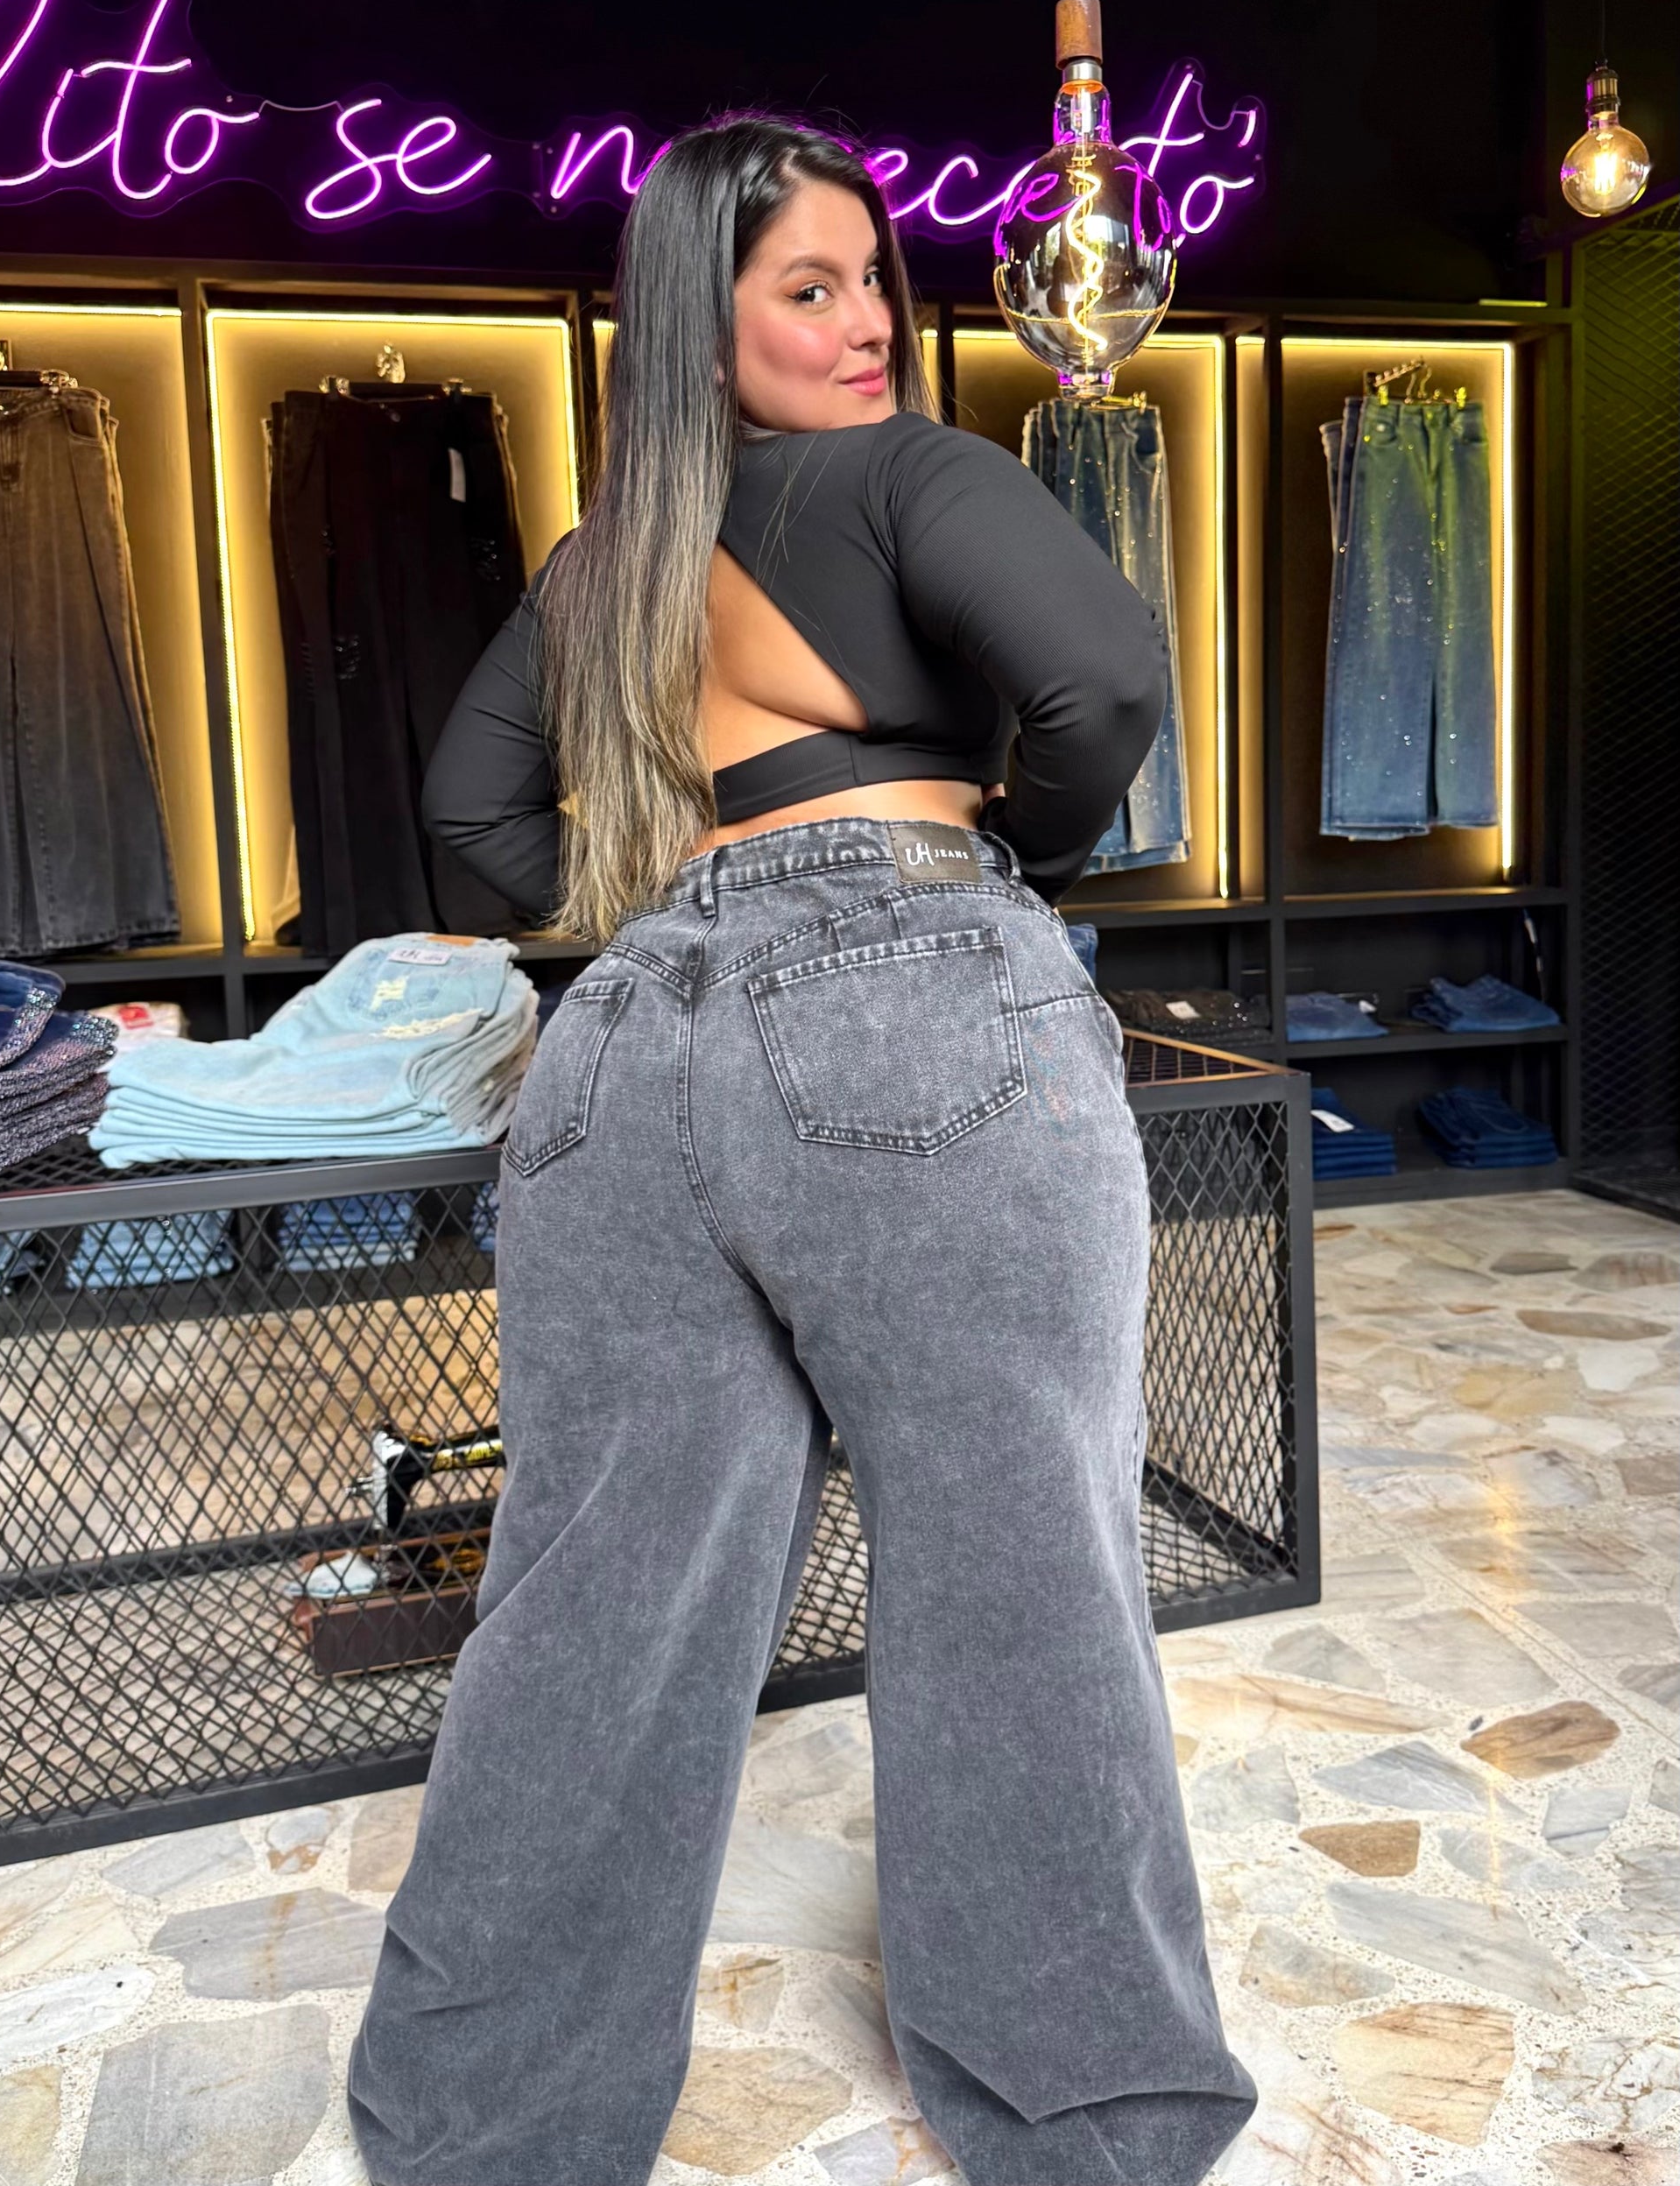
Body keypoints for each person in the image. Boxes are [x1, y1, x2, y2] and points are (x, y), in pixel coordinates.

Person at [345, 114, 1256, 2185]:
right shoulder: (910, 473)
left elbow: (475, 823)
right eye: (808, 289)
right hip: (915, 1006)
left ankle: (483, 2124)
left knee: (591, 1597)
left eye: (872, 282)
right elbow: (1108, 677)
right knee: (1017, 1566)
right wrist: (1003, 858)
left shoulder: (596, 573)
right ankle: (1087, 2122)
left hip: (625, 1052)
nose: (867, 328)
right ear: (704, 326)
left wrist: (676, 906)